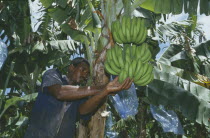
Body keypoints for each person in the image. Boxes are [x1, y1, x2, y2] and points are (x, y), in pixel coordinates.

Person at [24, 57, 132, 138]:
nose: (85, 75)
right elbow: (59, 92)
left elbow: (83, 111)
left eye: (87, 74)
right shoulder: (53, 75)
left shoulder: (80, 94)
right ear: (72, 67)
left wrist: (105, 91)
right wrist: (102, 88)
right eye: (83, 69)